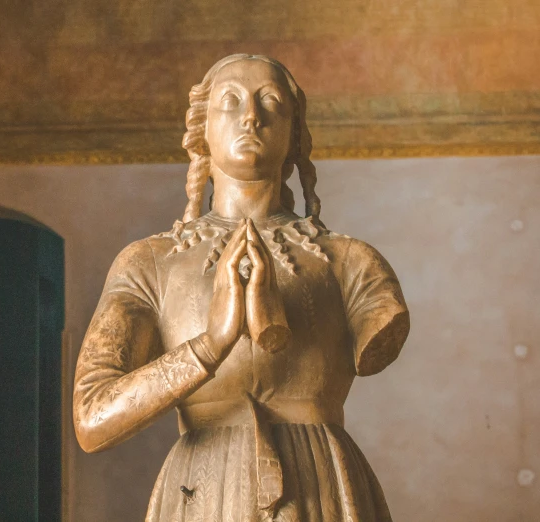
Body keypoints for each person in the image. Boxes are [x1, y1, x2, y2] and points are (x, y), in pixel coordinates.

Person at [73, 53, 410, 522]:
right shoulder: (149, 262)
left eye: (271, 101)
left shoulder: (350, 262)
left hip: (321, 485)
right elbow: (92, 418)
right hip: (202, 489)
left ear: (295, 133)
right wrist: (211, 344)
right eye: (230, 101)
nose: (251, 115)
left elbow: (380, 327)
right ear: (201, 130)